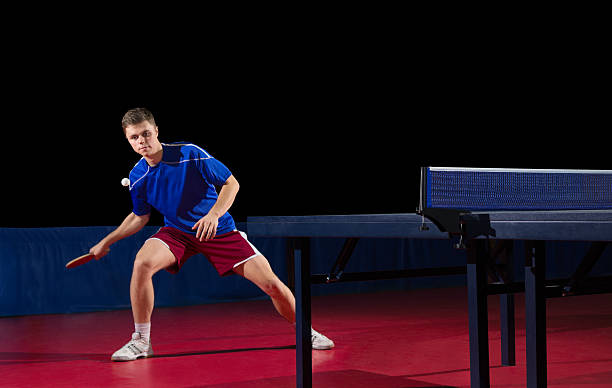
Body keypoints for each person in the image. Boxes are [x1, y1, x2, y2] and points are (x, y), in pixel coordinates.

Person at [90, 107, 334, 361]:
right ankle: (141, 341)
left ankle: (306, 332)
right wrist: (107, 241)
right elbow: (139, 216)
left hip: (219, 230)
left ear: (157, 131)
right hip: (177, 232)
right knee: (142, 263)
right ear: (128, 140)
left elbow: (231, 183)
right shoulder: (138, 175)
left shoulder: (189, 153)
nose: (142, 141)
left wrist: (214, 214)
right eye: (134, 138)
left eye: (146, 134)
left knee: (271, 284)